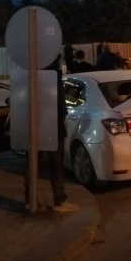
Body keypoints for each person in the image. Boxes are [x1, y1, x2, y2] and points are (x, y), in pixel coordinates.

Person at [24, 55, 79, 213]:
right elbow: (60, 103)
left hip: (33, 125)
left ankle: (30, 200)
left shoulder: (30, 75)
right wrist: (62, 116)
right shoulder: (54, 76)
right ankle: (60, 200)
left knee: (32, 163)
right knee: (55, 163)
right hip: (52, 124)